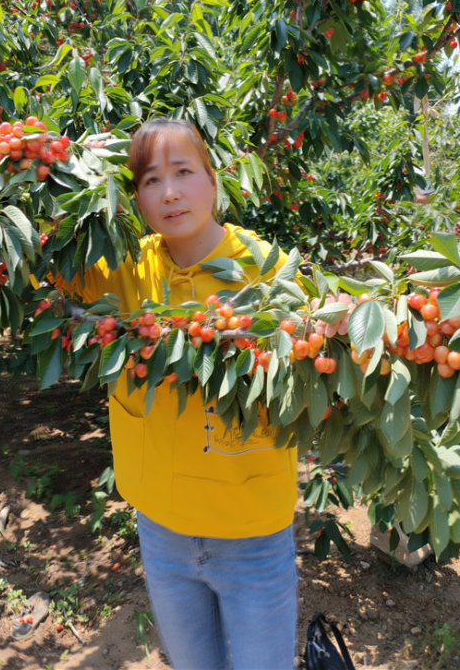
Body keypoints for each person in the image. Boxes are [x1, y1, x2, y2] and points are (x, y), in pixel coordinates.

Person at [52, 118, 298, 670]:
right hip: (162, 532)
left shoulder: (268, 272)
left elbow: (311, 372)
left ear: (214, 182)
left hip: (251, 534)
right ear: (132, 197)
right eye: (148, 181)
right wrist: (70, 169)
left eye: (184, 172)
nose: (169, 192)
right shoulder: (124, 270)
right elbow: (43, 258)